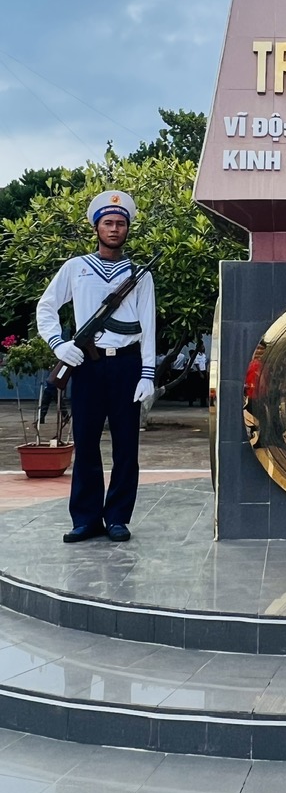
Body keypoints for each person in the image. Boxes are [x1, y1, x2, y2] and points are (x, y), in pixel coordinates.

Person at [36, 190, 156, 544]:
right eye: (108, 223)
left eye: (120, 223)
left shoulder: (139, 275)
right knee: (86, 443)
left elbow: (149, 325)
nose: (114, 229)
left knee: (126, 447)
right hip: (87, 366)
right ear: (96, 228)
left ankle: (117, 518)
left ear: (127, 228)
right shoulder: (76, 268)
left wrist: (147, 373)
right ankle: (86, 519)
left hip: (126, 366)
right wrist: (59, 344)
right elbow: (46, 307)